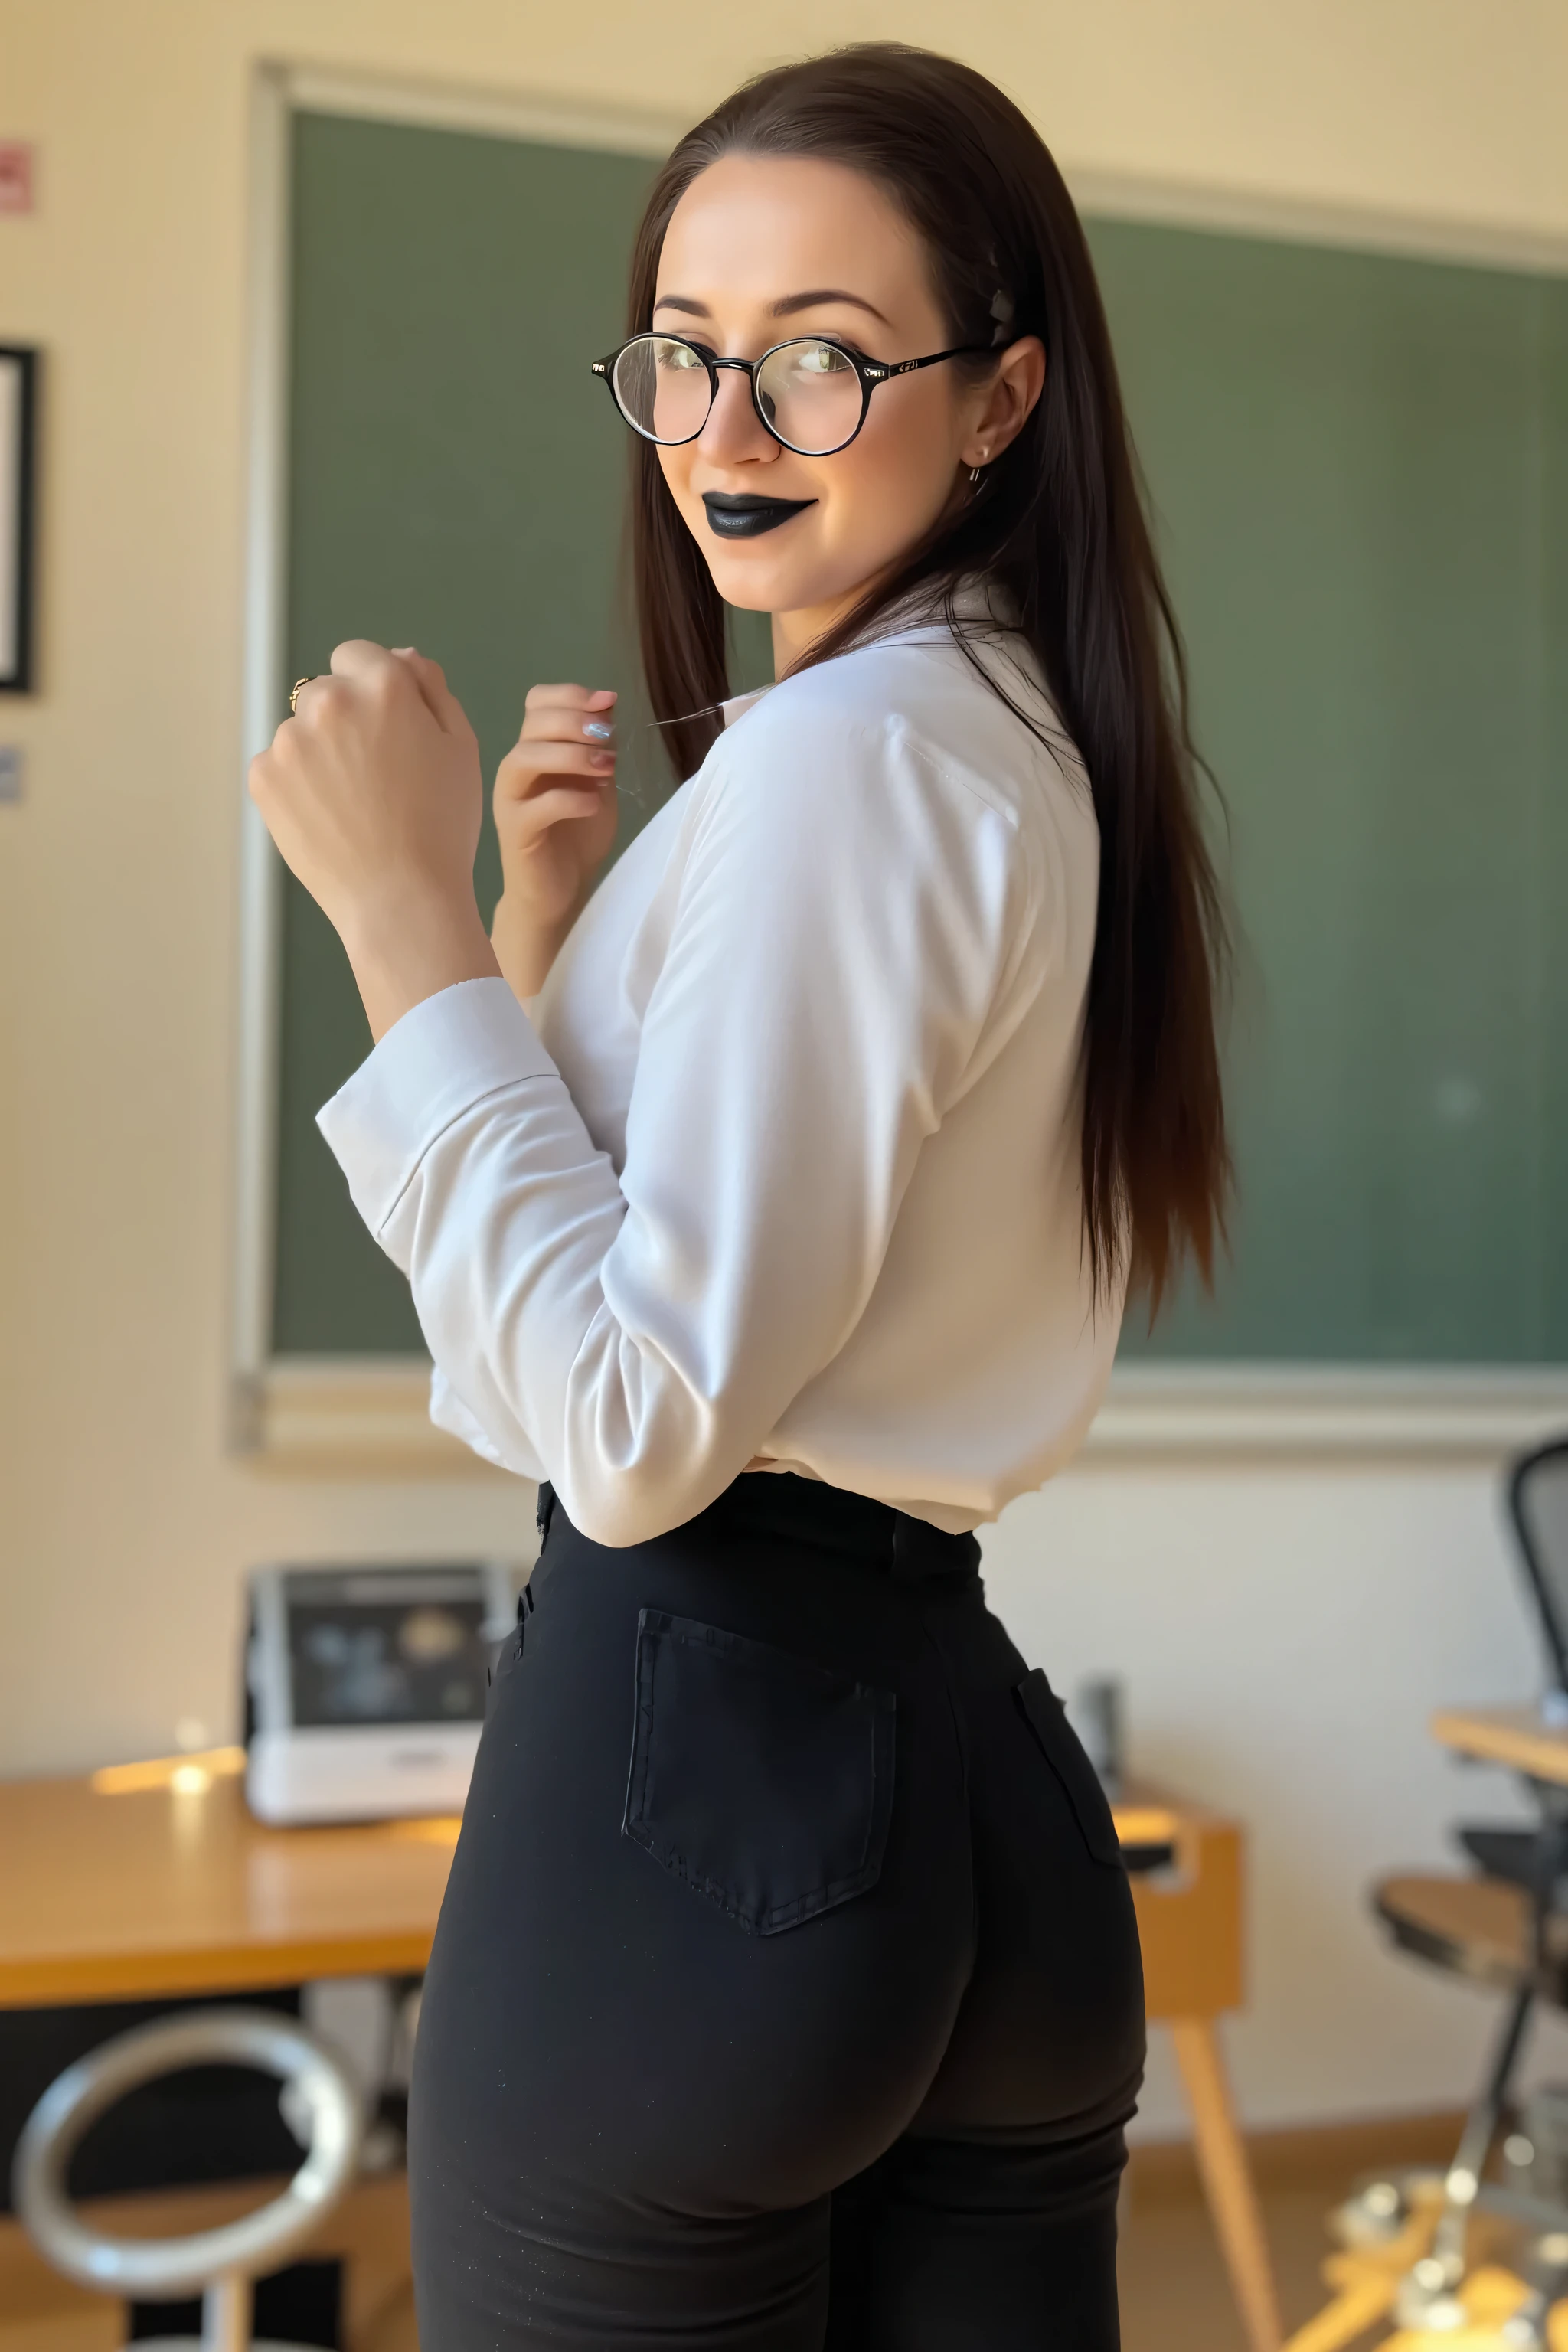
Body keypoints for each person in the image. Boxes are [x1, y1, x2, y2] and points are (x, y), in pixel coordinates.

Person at [249, 41, 1229, 2351]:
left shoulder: (844, 758)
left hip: (702, 1807)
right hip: (965, 1791)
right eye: (685, 355)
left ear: (1001, 400)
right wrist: (533, 953)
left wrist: (389, 915)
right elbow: (602, 1324)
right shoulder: (998, 735)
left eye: (815, 357)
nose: (722, 430)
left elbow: (631, 1423)